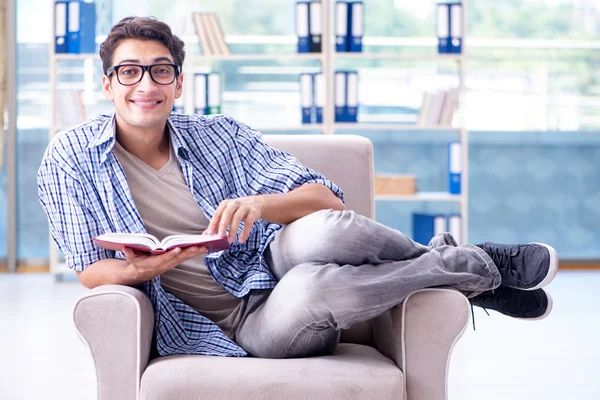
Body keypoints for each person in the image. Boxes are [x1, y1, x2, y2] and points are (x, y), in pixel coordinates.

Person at [38, 16, 558, 359]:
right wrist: (140, 268)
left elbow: (327, 201)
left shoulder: (218, 134)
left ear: (179, 82)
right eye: (128, 72)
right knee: (313, 288)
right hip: (239, 326)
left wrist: (261, 203)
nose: (145, 86)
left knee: (326, 232)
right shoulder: (69, 159)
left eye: (159, 71)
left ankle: (464, 270)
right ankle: (475, 270)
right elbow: (90, 269)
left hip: (266, 259)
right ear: (107, 84)